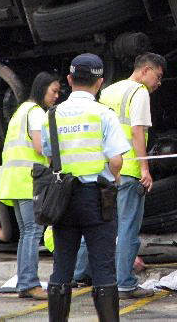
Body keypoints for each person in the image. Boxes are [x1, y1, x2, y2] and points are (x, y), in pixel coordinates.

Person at [42, 53, 130, 322]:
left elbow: (48, 156)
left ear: (69, 79)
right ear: (100, 82)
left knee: (62, 268)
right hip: (96, 198)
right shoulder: (104, 114)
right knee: (103, 267)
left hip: (63, 199)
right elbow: (116, 159)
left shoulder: (52, 115)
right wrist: (113, 178)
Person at [100, 52, 166, 299]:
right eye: (157, 77)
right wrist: (145, 169)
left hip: (107, 171)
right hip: (129, 171)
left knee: (108, 227)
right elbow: (137, 132)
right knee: (128, 228)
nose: (157, 84)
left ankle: (105, 278)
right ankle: (125, 283)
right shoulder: (139, 93)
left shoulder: (108, 92)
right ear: (145, 70)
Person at [0, 72, 60, 300]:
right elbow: (39, 147)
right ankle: (31, 283)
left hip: (14, 182)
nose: (56, 96)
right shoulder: (35, 113)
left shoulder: (20, 112)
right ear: (42, 88)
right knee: (33, 232)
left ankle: (25, 283)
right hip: (28, 182)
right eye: (53, 91)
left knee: (26, 233)